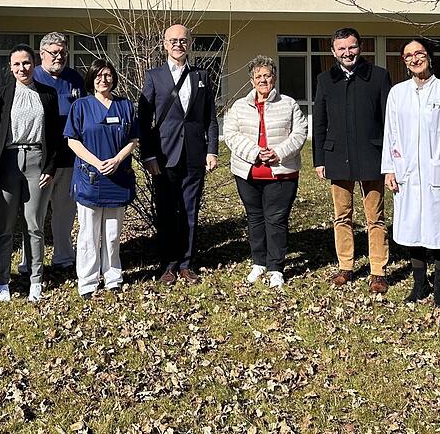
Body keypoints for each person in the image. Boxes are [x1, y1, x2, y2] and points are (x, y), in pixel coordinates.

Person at [381, 39, 440, 307]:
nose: (415, 59)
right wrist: (389, 169)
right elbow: (390, 134)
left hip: (437, 172)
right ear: (404, 62)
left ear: (429, 56)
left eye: (419, 53)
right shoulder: (397, 93)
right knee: (411, 228)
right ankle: (419, 283)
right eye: (408, 56)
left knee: (439, 229)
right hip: (406, 172)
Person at [312, 27, 392, 294]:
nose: (348, 53)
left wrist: (390, 157)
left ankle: (378, 270)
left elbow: (389, 121)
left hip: (372, 156)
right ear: (333, 52)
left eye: (352, 47)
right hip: (337, 156)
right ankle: (345, 266)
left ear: (360, 47)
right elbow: (320, 122)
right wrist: (319, 159)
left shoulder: (379, 76)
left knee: (375, 217)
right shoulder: (325, 80)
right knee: (341, 216)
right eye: (342, 48)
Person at [138, 24, 220, 285]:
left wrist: (212, 150)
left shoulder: (202, 76)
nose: (178, 45)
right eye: (173, 40)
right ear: (165, 44)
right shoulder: (154, 76)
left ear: (190, 43)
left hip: (194, 155)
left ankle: (186, 264)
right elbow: (144, 120)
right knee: (166, 212)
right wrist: (148, 156)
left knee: (190, 211)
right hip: (164, 156)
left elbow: (210, 118)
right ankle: (168, 265)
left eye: (183, 40)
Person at [223, 55, 308, 288]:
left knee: (276, 219)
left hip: (281, 173)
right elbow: (230, 134)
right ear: (252, 81)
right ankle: (258, 262)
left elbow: (300, 132)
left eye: (267, 75)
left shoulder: (288, 104)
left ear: (274, 78)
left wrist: (278, 153)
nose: (263, 80)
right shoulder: (239, 106)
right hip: (247, 173)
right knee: (255, 218)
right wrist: (256, 153)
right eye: (258, 76)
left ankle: (276, 267)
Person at [0, 44, 60, 302]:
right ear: (10, 67)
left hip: (38, 161)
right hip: (8, 162)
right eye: (16, 64)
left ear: (34, 64)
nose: (22, 68)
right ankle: (2, 283)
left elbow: (55, 135)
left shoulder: (48, 94)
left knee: (35, 226)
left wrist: (50, 167)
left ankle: (36, 280)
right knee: (4, 227)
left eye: (26, 63)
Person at [64, 59, 139, 299]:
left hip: (118, 176)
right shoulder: (81, 106)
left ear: (114, 78)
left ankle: (113, 277)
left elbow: (133, 139)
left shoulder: (125, 106)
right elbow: (72, 140)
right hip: (90, 177)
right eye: (98, 75)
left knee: (113, 233)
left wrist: (117, 160)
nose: (103, 79)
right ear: (91, 79)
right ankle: (87, 281)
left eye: (107, 75)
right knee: (88, 233)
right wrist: (97, 163)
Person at [32, 32, 84, 275]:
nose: (59, 57)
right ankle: (31, 262)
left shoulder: (75, 79)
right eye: (54, 52)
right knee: (35, 215)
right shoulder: (32, 78)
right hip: (40, 161)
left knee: (65, 213)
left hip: (69, 158)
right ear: (42, 54)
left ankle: (63, 257)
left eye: (63, 52)